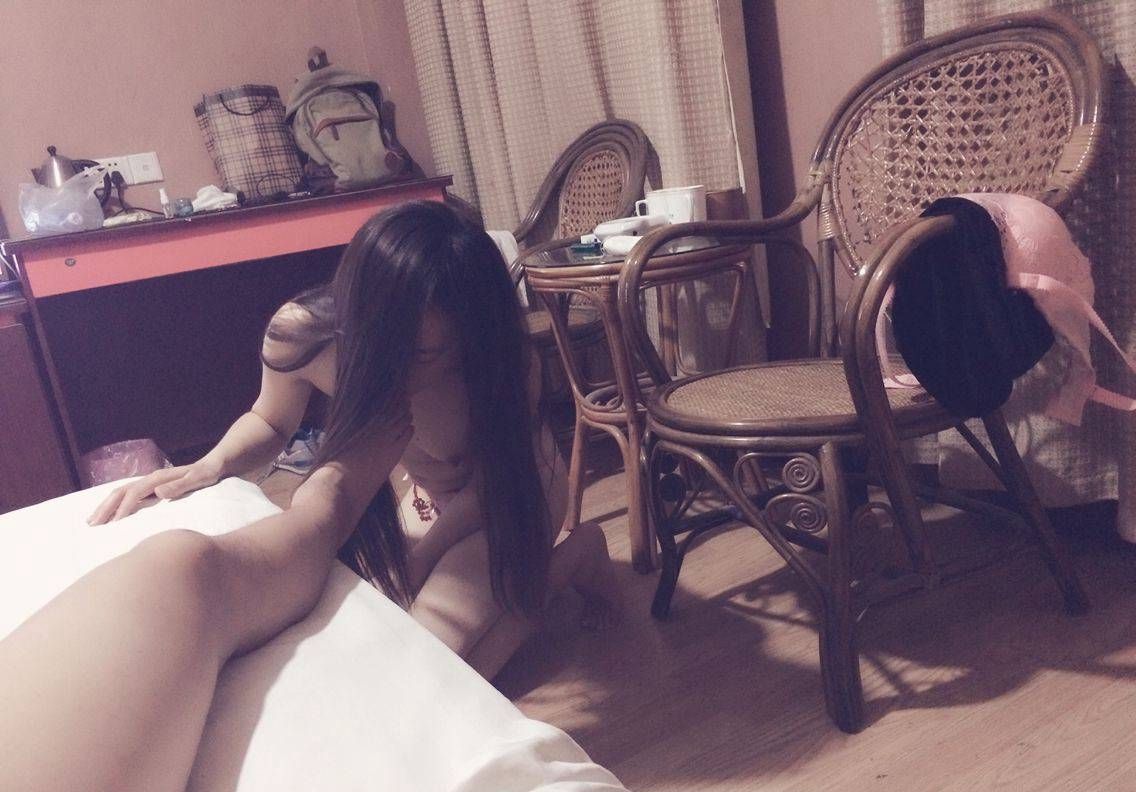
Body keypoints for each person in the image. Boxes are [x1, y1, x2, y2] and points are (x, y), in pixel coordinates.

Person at [0, 201, 621, 791]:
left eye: (430, 354)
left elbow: (497, 485)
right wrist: (208, 465)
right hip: (427, 498)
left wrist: (423, 555)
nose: (404, 369)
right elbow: (270, 422)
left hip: (510, 496)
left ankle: (574, 557)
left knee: (439, 657)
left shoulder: (501, 361)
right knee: (385, 641)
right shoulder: (304, 335)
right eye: (390, 347)